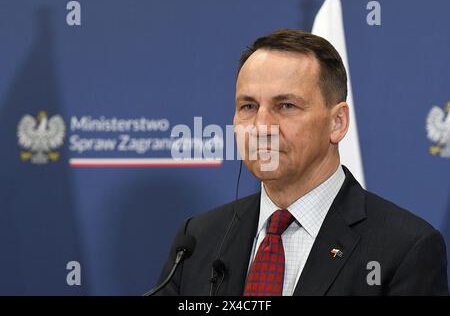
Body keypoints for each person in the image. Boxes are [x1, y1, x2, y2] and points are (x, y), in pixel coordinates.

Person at [156, 29, 448, 295]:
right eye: (248, 106)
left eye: (286, 106)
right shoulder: (197, 239)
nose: (261, 127)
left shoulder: (404, 249)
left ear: (337, 122)